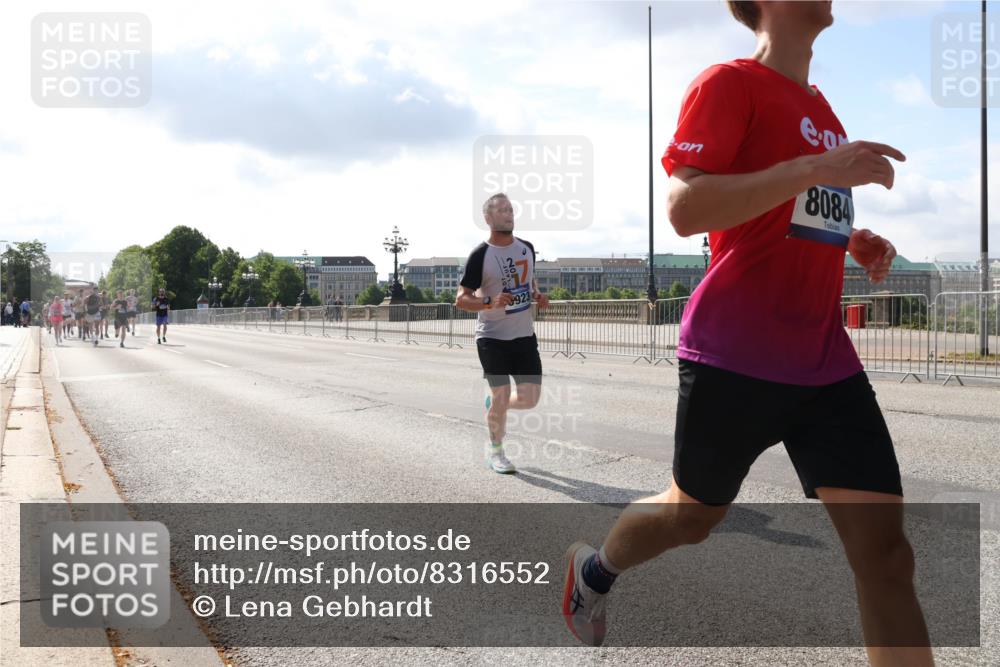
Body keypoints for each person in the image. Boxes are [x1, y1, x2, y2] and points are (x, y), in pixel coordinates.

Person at [562, 3, 931, 665]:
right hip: (735, 351)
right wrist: (815, 170)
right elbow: (685, 207)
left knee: (888, 554)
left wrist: (852, 240)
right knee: (691, 517)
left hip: (823, 362)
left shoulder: (825, 115)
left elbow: (789, 213)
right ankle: (594, 572)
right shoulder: (727, 83)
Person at [455, 192, 550, 474]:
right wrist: (489, 302)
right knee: (501, 394)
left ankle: (495, 406)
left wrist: (537, 294)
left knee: (530, 399)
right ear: (488, 218)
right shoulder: (480, 255)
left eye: (510, 209)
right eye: (501, 210)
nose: (509, 214)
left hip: (523, 336)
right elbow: (461, 299)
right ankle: (496, 452)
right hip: (491, 338)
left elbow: (529, 280)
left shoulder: (527, 248)